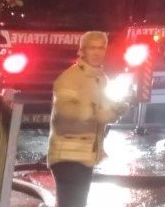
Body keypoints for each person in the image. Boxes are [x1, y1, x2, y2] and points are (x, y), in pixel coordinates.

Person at [47, 31, 129, 207]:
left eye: (101, 48)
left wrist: (118, 108)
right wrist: (92, 111)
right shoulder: (70, 78)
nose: (97, 52)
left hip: (85, 156)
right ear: (81, 51)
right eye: (92, 47)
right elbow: (64, 113)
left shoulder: (101, 79)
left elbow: (104, 112)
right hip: (68, 157)